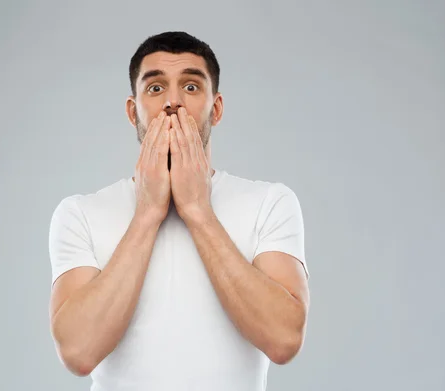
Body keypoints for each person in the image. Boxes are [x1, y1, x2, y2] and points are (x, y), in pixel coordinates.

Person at [48, 31, 310, 391]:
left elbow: (284, 340)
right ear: (132, 110)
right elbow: (78, 352)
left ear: (215, 109)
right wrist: (146, 215)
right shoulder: (79, 213)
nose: (173, 102)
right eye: (155, 88)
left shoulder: (270, 203)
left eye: (190, 87)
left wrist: (198, 211)